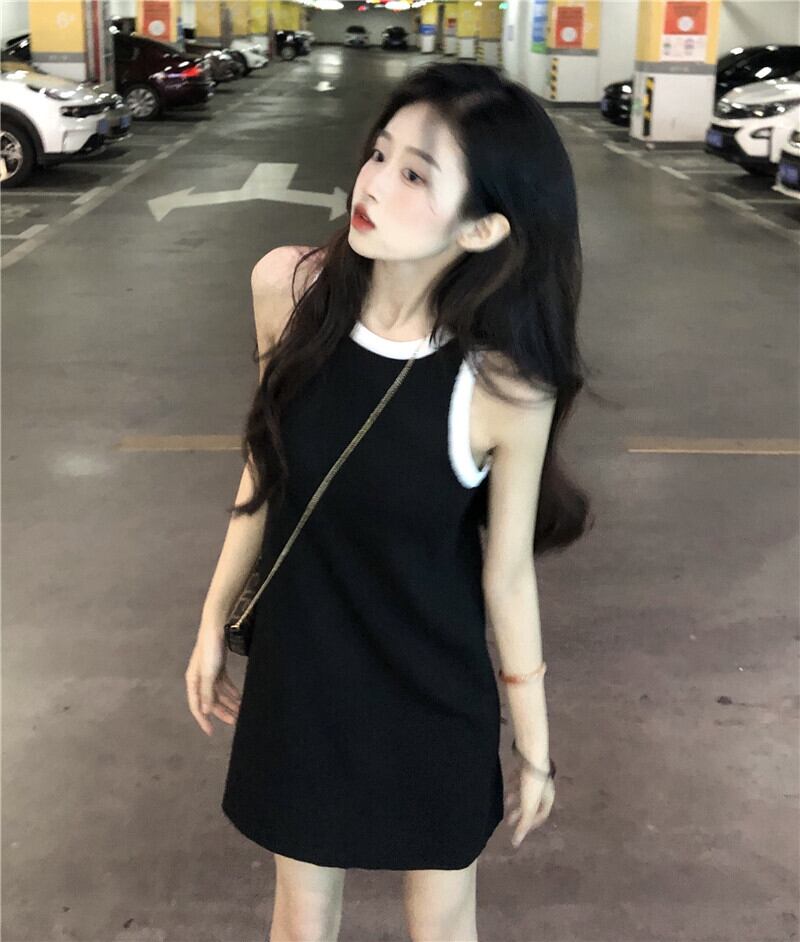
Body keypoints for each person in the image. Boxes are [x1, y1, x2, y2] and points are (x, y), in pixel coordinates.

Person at [185, 61, 592, 942]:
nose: (371, 184)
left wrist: (532, 741)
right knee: (301, 919)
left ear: (483, 227)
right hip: (304, 676)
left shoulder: (502, 387)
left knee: (442, 923)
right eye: (379, 154)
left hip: (432, 690)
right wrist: (214, 616)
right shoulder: (288, 290)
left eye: (415, 174)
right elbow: (264, 469)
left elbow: (507, 575)